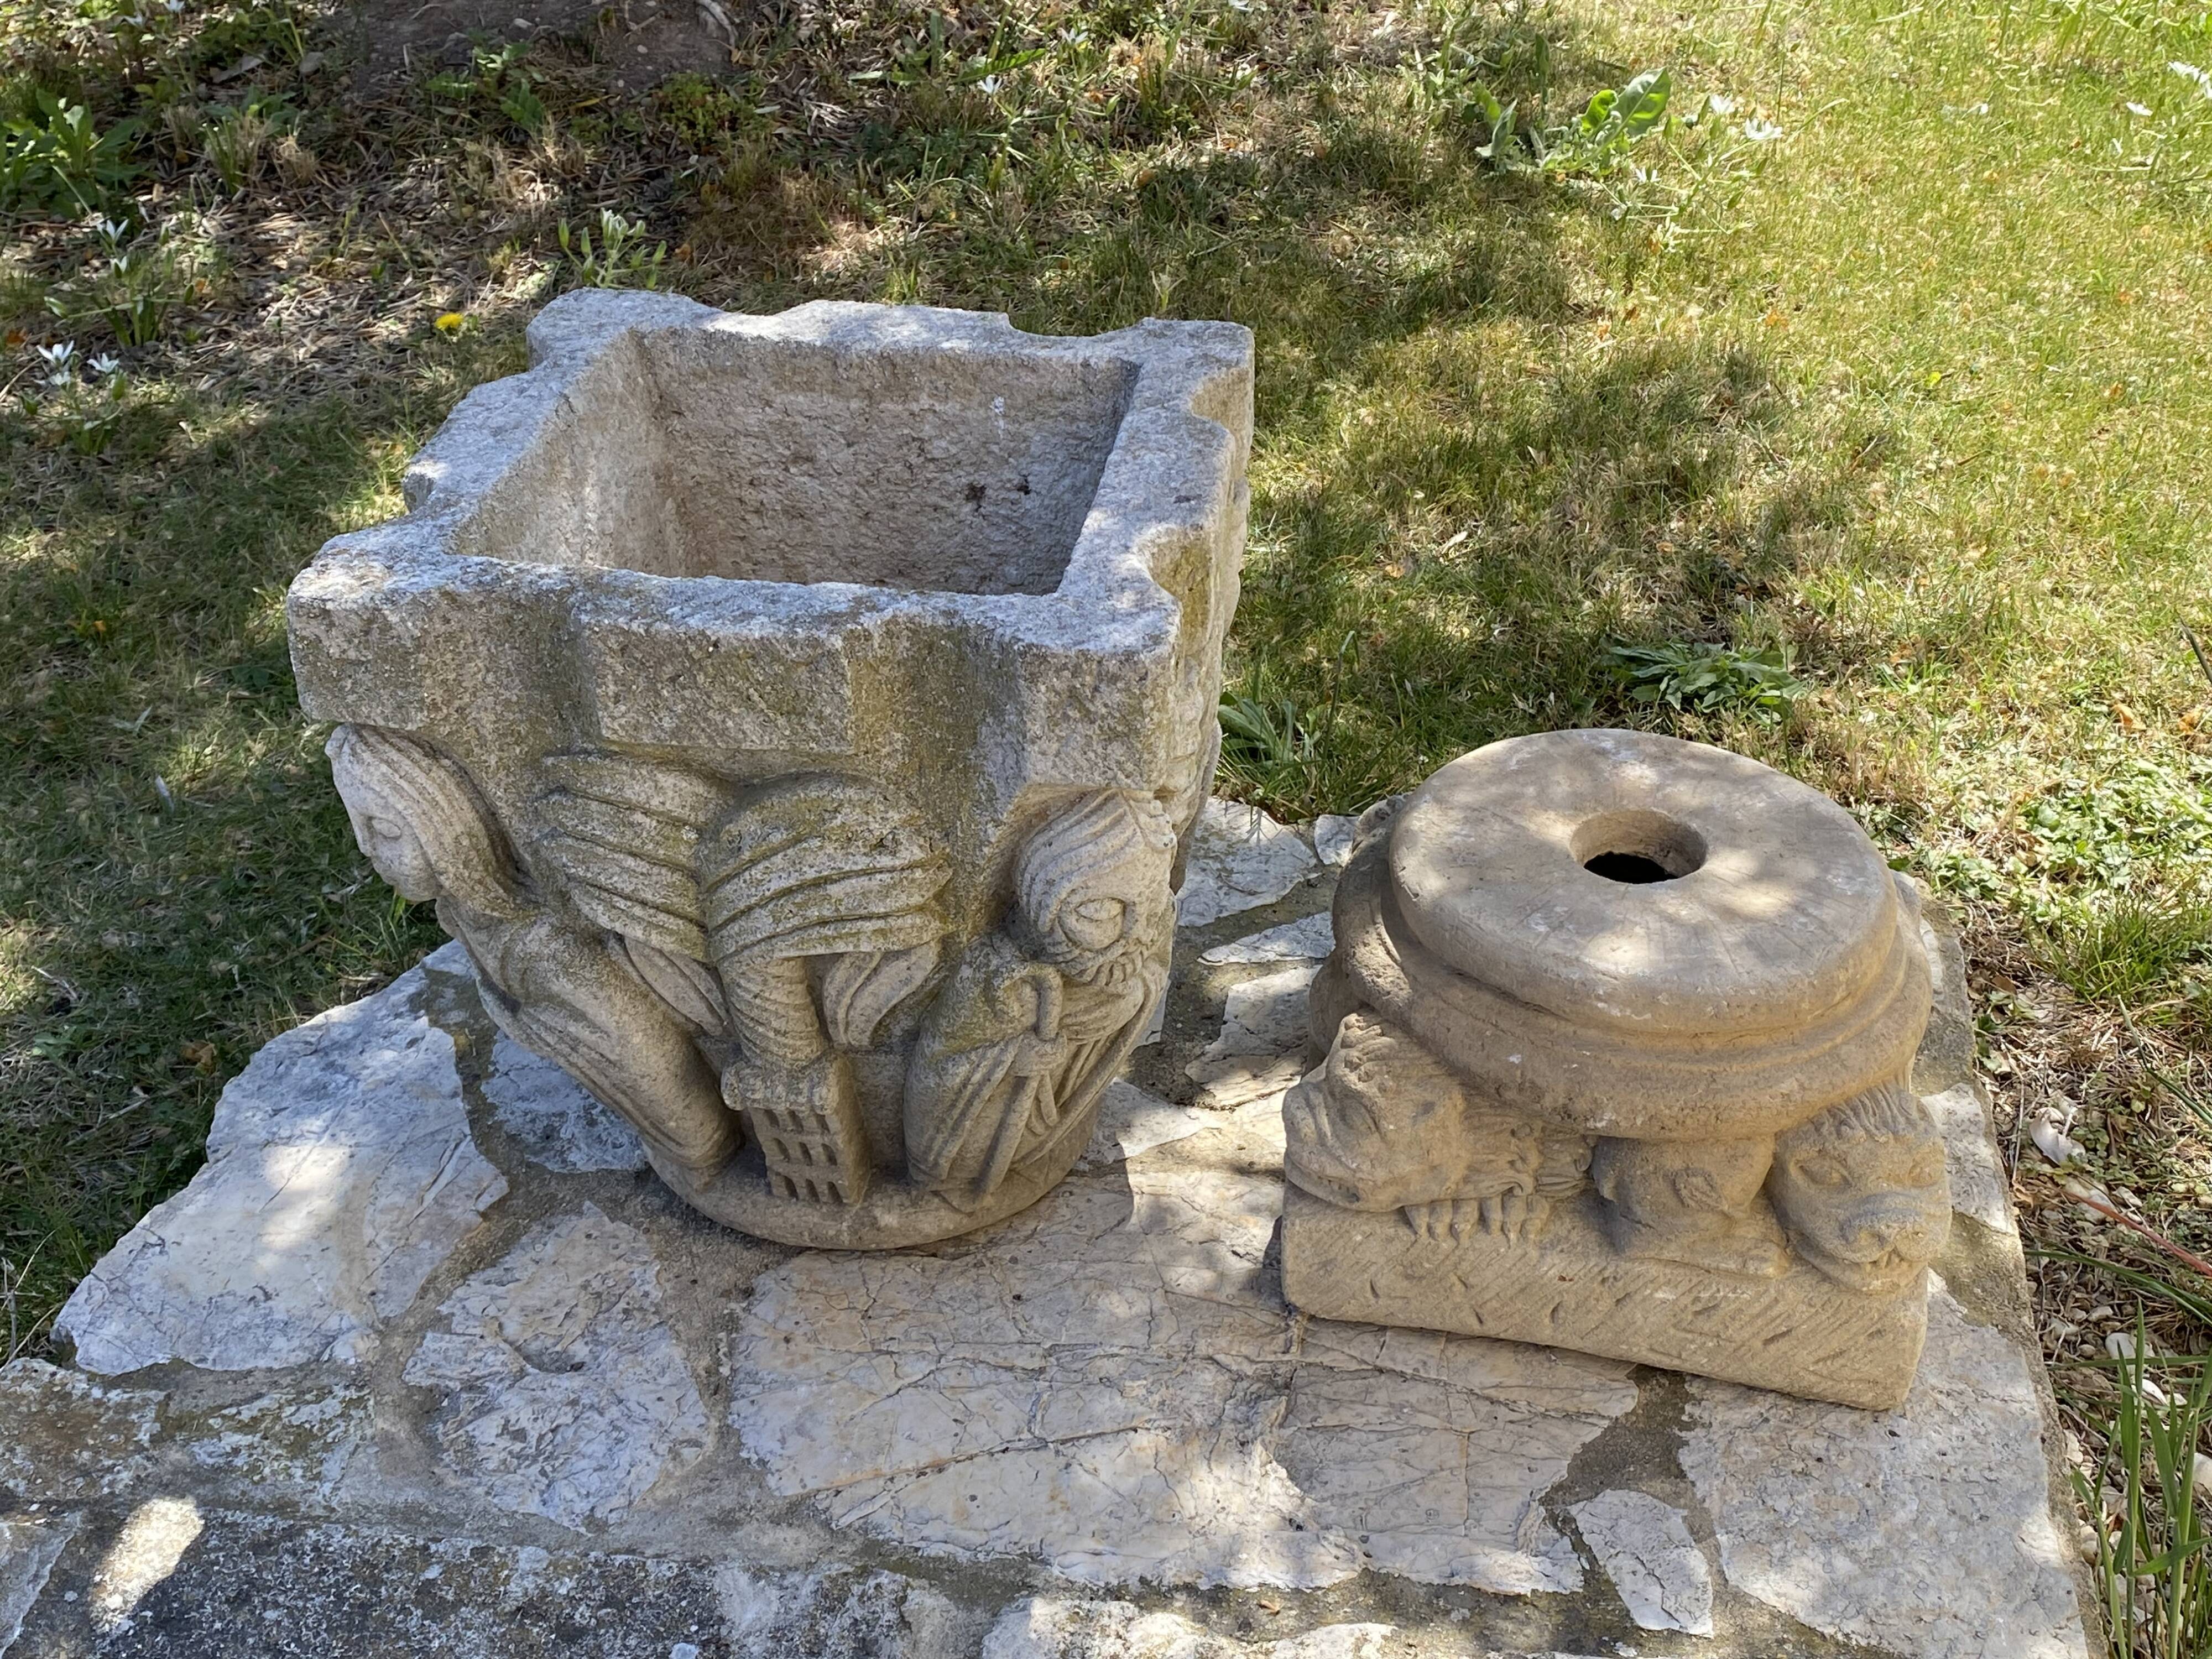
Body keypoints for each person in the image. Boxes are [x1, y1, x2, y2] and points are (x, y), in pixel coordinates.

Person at [326, 723, 742, 1176]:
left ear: (448, 826)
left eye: (386, 829)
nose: (365, 849)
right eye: (359, 826)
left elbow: (691, 1124)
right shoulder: (464, 913)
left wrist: (526, 1023)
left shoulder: (545, 953)